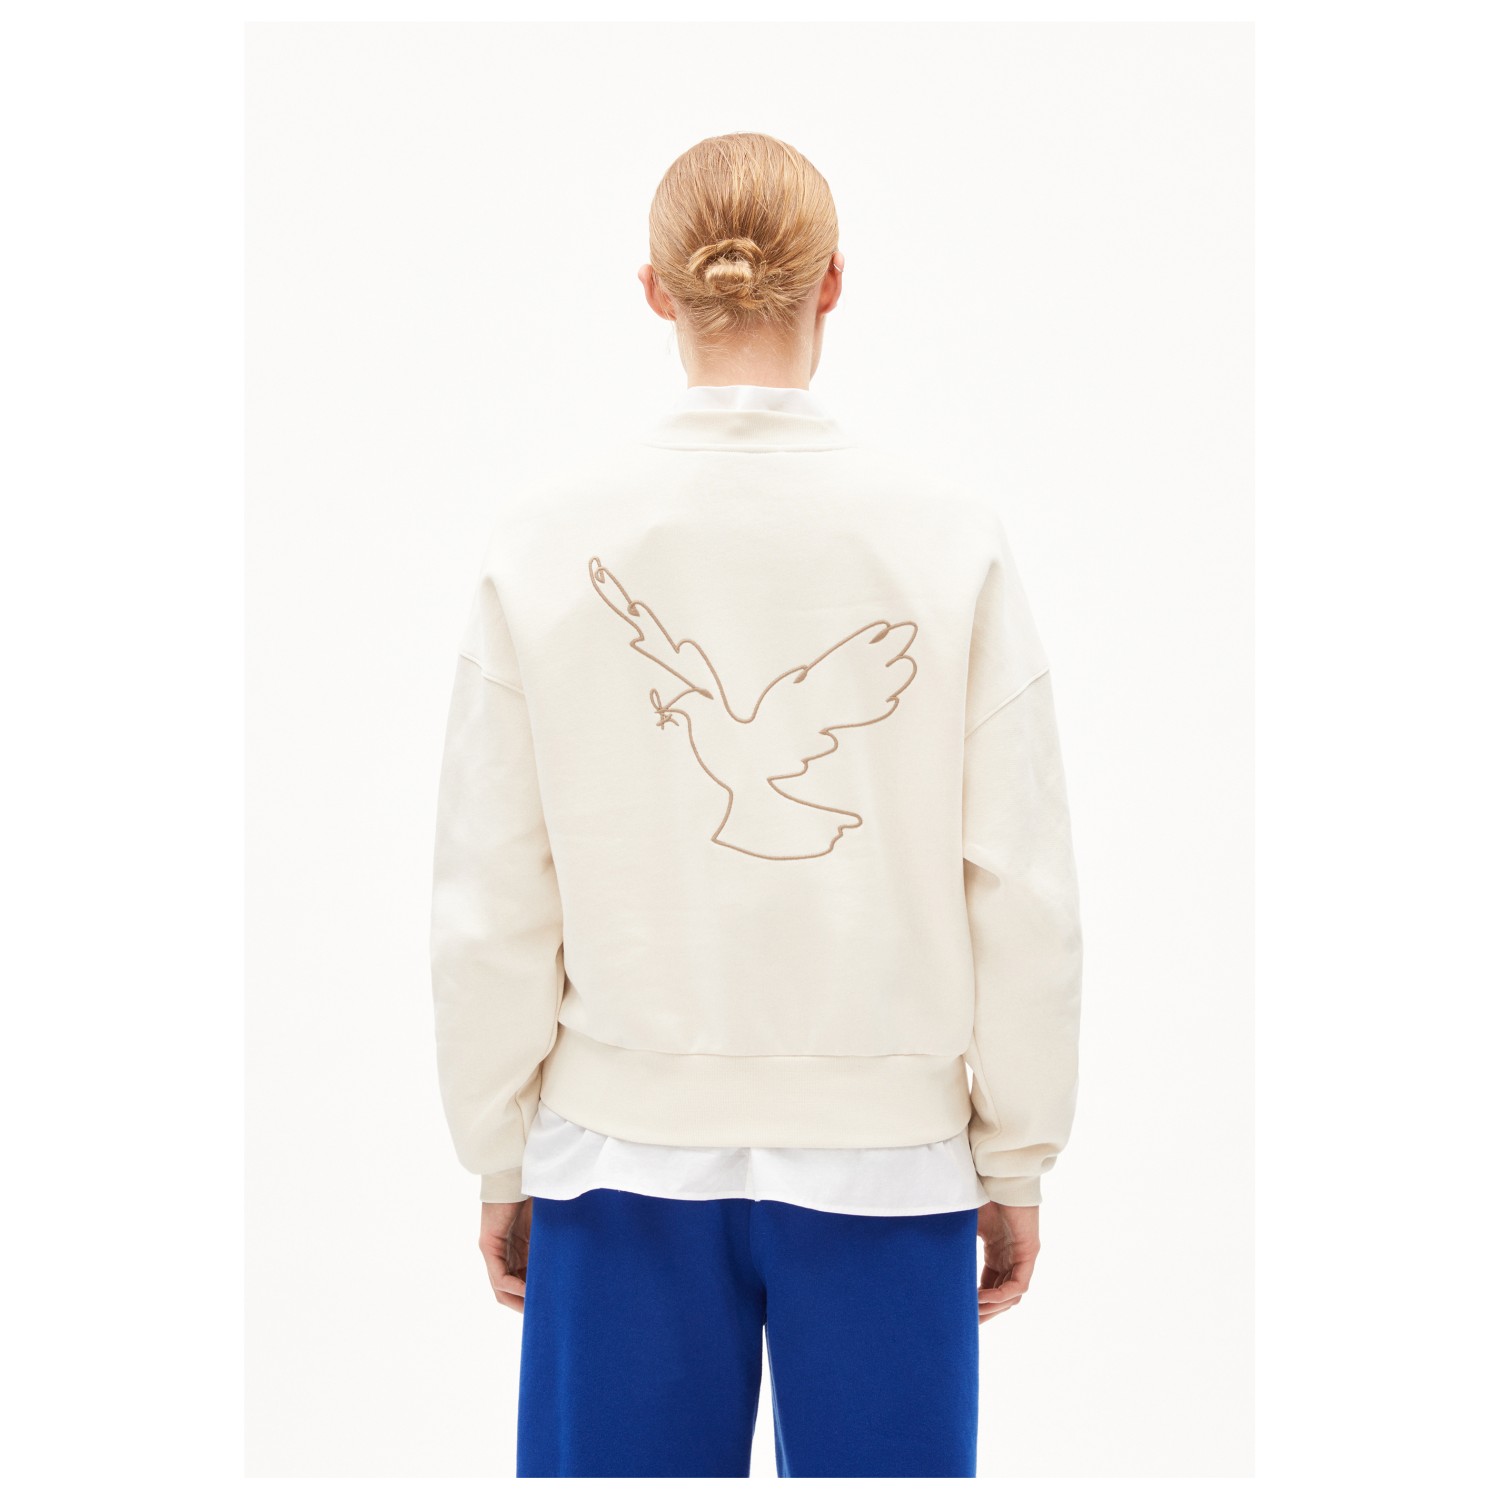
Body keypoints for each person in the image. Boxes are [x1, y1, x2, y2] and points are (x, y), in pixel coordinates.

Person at [429, 131, 1083, 1480]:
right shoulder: (945, 536)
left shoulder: (546, 541)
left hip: (616, 1159)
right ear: (833, 281)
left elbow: (492, 887)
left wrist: (499, 1151)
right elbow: (1020, 884)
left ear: (654, 290)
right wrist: (1014, 1155)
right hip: (889, 1163)